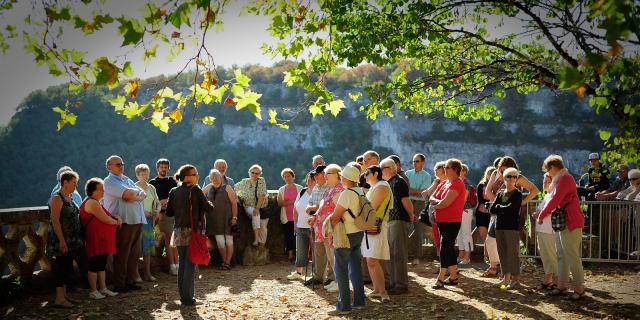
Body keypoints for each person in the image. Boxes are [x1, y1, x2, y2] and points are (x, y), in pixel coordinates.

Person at [538, 155, 586, 300]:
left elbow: (555, 199)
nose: (548, 174)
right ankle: (562, 285)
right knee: (561, 254)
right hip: (564, 221)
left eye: (548, 170)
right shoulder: (561, 179)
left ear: (553, 167)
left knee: (571, 255)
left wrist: (541, 215)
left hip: (571, 221)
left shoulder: (565, 179)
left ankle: (579, 288)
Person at [166, 164, 214, 306]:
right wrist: (207, 201)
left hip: (178, 231)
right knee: (190, 264)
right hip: (192, 231)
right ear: (186, 176)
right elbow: (209, 208)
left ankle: (183, 296)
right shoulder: (196, 190)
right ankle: (188, 298)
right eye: (194, 174)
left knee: (182, 263)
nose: (197, 176)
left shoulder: (174, 191)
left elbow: (169, 213)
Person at [103, 155, 147, 293]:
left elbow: (143, 193)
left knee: (134, 253)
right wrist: (135, 195)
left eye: (122, 163)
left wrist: (134, 195)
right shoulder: (109, 182)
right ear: (109, 167)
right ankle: (120, 284)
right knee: (122, 254)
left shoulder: (126, 179)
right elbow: (128, 195)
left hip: (136, 220)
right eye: (117, 164)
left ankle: (130, 280)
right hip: (124, 222)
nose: (121, 166)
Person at [327, 164, 366, 315]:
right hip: (358, 233)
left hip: (345, 235)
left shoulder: (347, 194)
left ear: (347, 178)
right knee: (355, 268)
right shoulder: (360, 192)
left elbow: (336, 217)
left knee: (341, 269)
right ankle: (359, 302)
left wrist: (330, 232)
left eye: (342, 176)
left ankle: (344, 306)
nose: (341, 178)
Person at [47, 171, 83, 308]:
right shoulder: (57, 198)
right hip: (61, 240)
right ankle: (59, 299)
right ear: (65, 182)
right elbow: (55, 221)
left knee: (67, 267)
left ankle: (64, 296)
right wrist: (62, 240)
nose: (75, 185)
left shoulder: (70, 197)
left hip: (72, 240)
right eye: (74, 182)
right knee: (61, 268)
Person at [79, 178, 121, 299]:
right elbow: (105, 219)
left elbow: (108, 215)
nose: (104, 191)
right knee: (94, 264)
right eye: (101, 189)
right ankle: (93, 290)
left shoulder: (97, 202)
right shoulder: (92, 203)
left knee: (101, 263)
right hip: (94, 238)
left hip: (101, 238)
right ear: (93, 190)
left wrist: (116, 217)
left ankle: (103, 288)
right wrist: (116, 222)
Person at [430, 159, 466, 289]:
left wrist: (436, 205)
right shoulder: (444, 183)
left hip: (452, 221)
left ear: (456, 169)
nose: (445, 169)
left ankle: (440, 277)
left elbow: (446, 203)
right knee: (448, 248)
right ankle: (454, 277)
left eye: (448, 167)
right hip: (442, 221)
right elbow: (431, 197)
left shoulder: (457, 184)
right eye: (444, 166)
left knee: (445, 249)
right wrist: (438, 204)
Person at [381, 157, 414, 294]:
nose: (380, 171)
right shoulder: (388, 183)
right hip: (390, 221)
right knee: (391, 254)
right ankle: (393, 283)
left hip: (398, 220)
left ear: (389, 169)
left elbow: (406, 201)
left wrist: (411, 216)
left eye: (382, 168)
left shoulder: (399, 182)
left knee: (398, 253)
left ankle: (400, 285)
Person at [311, 164, 345, 292]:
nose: (325, 177)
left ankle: (340, 282)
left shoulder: (340, 189)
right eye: (325, 174)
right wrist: (315, 215)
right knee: (331, 257)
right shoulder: (331, 189)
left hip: (333, 229)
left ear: (337, 175)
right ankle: (337, 280)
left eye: (328, 174)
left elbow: (339, 209)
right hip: (325, 228)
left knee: (335, 256)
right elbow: (323, 204)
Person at [361, 165, 392, 303]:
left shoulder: (382, 186)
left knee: (372, 260)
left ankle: (383, 292)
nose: (364, 175)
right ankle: (377, 289)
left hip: (377, 225)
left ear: (375, 173)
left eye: (367, 173)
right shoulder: (376, 187)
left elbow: (372, 207)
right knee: (369, 259)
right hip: (370, 226)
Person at [489, 167, 523, 290]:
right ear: (504, 178)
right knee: (502, 253)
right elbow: (492, 209)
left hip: (511, 228)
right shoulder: (500, 193)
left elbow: (511, 208)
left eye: (514, 176)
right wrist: (501, 207)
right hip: (499, 227)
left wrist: (499, 207)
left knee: (512, 254)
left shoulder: (517, 194)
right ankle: (506, 279)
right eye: (509, 176)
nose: (512, 179)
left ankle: (515, 280)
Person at [203, 169, 238, 270]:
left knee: (229, 241)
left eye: (217, 177)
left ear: (221, 177)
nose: (215, 179)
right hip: (214, 220)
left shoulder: (228, 187)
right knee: (220, 242)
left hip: (227, 218)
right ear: (210, 179)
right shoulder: (209, 187)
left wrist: (234, 217)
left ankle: (227, 262)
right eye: (213, 178)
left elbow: (234, 204)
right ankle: (224, 261)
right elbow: (199, 195)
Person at [304, 165, 332, 286]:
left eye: (317, 174)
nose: (314, 176)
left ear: (323, 174)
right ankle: (318, 276)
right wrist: (312, 208)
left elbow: (323, 206)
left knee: (330, 251)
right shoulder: (315, 188)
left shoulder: (330, 187)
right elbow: (309, 205)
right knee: (318, 251)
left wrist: (314, 208)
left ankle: (331, 277)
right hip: (316, 224)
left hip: (328, 225)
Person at [149, 158, 179, 275]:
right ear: (157, 168)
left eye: (165, 167)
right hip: (159, 215)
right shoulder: (153, 183)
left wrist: (167, 200)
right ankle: (172, 265)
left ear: (168, 168)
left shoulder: (172, 181)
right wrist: (159, 202)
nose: (163, 169)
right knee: (168, 240)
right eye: (161, 167)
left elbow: (176, 196)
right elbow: (150, 199)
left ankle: (176, 264)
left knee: (173, 239)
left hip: (171, 213)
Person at [287, 172, 316, 280]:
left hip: (313, 227)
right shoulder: (302, 191)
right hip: (300, 226)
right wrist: (295, 223)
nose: (309, 181)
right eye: (308, 179)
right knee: (300, 251)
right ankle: (299, 273)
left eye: (312, 179)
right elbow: (295, 209)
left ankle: (317, 275)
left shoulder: (318, 193)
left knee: (316, 252)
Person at [133, 164, 160, 282]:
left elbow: (157, 203)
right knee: (136, 248)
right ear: (137, 175)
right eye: (142, 174)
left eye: (146, 174)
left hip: (149, 221)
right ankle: (135, 275)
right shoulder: (133, 187)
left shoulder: (151, 188)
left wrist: (156, 212)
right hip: (137, 222)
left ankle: (147, 274)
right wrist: (142, 212)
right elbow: (132, 204)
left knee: (147, 248)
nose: (144, 176)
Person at [533, 173, 558, 291]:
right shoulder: (547, 195)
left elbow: (551, 211)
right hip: (542, 229)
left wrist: (538, 214)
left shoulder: (555, 195)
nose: (545, 183)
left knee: (551, 255)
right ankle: (548, 279)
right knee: (545, 255)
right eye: (544, 181)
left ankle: (556, 281)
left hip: (549, 230)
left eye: (548, 181)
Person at [406, 153, 432, 263]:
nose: (414, 163)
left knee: (418, 231)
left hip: (420, 205)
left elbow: (422, 194)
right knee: (404, 229)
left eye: (417, 161)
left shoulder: (427, 176)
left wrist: (412, 190)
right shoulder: (408, 173)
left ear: (422, 163)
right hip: (408, 202)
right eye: (413, 161)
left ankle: (417, 257)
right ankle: (404, 255)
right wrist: (415, 191)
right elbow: (407, 190)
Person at [235, 164, 268, 247]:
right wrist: (237, 199)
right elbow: (232, 190)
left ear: (260, 174)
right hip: (249, 206)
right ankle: (256, 239)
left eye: (257, 173)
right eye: (252, 172)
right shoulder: (243, 182)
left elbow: (262, 196)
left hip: (262, 207)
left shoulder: (261, 181)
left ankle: (262, 248)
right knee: (255, 214)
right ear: (249, 172)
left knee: (263, 228)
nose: (254, 175)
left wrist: (257, 208)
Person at [476, 166, 499, 277]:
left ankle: (491, 261)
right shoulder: (481, 185)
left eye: (492, 173)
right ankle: (487, 259)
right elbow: (480, 199)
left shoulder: (496, 187)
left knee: (490, 238)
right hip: (481, 213)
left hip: (491, 214)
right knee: (484, 237)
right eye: (489, 173)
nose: (491, 175)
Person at [422, 161, 447, 259]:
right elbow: (425, 195)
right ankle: (441, 262)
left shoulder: (448, 184)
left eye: (438, 169)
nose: (435, 170)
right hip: (433, 214)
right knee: (437, 239)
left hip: (443, 214)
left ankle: (446, 264)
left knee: (444, 240)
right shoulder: (437, 183)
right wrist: (434, 184)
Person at [277, 168, 302, 261]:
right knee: (289, 236)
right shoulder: (281, 189)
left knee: (299, 236)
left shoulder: (300, 188)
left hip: (298, 217)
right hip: (286, 217)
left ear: (293, 176)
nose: (287, 178)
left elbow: (303, 201)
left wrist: (287, 202)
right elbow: (280, 203)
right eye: (285, 176)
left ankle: (299, 255)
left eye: (289, 176)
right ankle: (290, 255)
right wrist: (294, 201)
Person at [456, 164, 475, 264]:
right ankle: (461, 254)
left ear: (465, 172)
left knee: (466, 233)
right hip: (458, 211)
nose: (459, 172)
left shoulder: (466, 183)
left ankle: (467, 256)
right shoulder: (457, 182)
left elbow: (464, 198)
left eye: (461, 170)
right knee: (459, 234)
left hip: (465, 210)